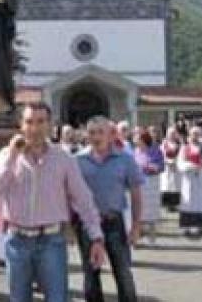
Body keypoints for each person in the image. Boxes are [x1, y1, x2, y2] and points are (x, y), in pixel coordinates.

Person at [0, 102, 106, 302]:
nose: (35, 128)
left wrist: (96, 238)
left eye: (41, 122)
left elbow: (83, 199)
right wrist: (12, 157)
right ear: (21, 126)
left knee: (57, 298)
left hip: (51, 241)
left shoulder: (63, 158)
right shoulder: (8, 156)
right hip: (17, 241)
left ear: (50, 125)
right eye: (29, 122)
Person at [74, 116, 142, 302]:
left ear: (111, 135)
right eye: (92, 133)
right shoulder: (77, 161)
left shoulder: (125, 160)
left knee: (122, 272)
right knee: (91, 274)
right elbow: (68, 195)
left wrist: (136, 226)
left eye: (100, 132)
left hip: (114, 222)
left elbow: (136, 193)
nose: (96, 137)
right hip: (87, 225)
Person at [134, 129, 164, 245]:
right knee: (138, 212)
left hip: (151, 183)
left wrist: (151, 167)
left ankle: (152, 238)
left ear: (143, 139)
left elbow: (161, 166)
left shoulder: (156, 151)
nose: (135, 140)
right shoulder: (135, 151)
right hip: (138, 184)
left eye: (137, 138)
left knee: (151, 212)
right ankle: (136, 238)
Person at [160, 127, 183, 211]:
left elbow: (182, 155)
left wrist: (176, 162)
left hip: (176, 167)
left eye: (174, 133)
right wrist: (168, 162)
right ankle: (167, 205)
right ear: (167, 135)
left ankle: (175, 204)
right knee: (167, 185)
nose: (172, 135)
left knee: (175, 186)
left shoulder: (179, 145)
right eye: (170, 134)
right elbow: (162, 155)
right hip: (167, 167)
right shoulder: (164, 144)